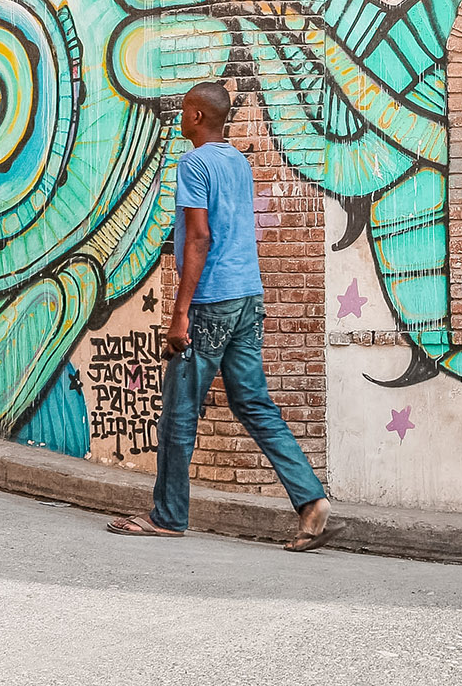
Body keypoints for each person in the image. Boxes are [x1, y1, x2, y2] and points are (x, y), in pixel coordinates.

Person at [107, 81, 343, 551]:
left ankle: (169, 515)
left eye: (184, 109)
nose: (179, 115)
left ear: (196, 117)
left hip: (212, 302)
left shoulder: (193, 163)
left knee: (178, 412)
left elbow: (197, 239)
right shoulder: (237, 160)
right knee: (254, 403)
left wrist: (180, 313)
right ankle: (311, 501)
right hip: (247, 297)